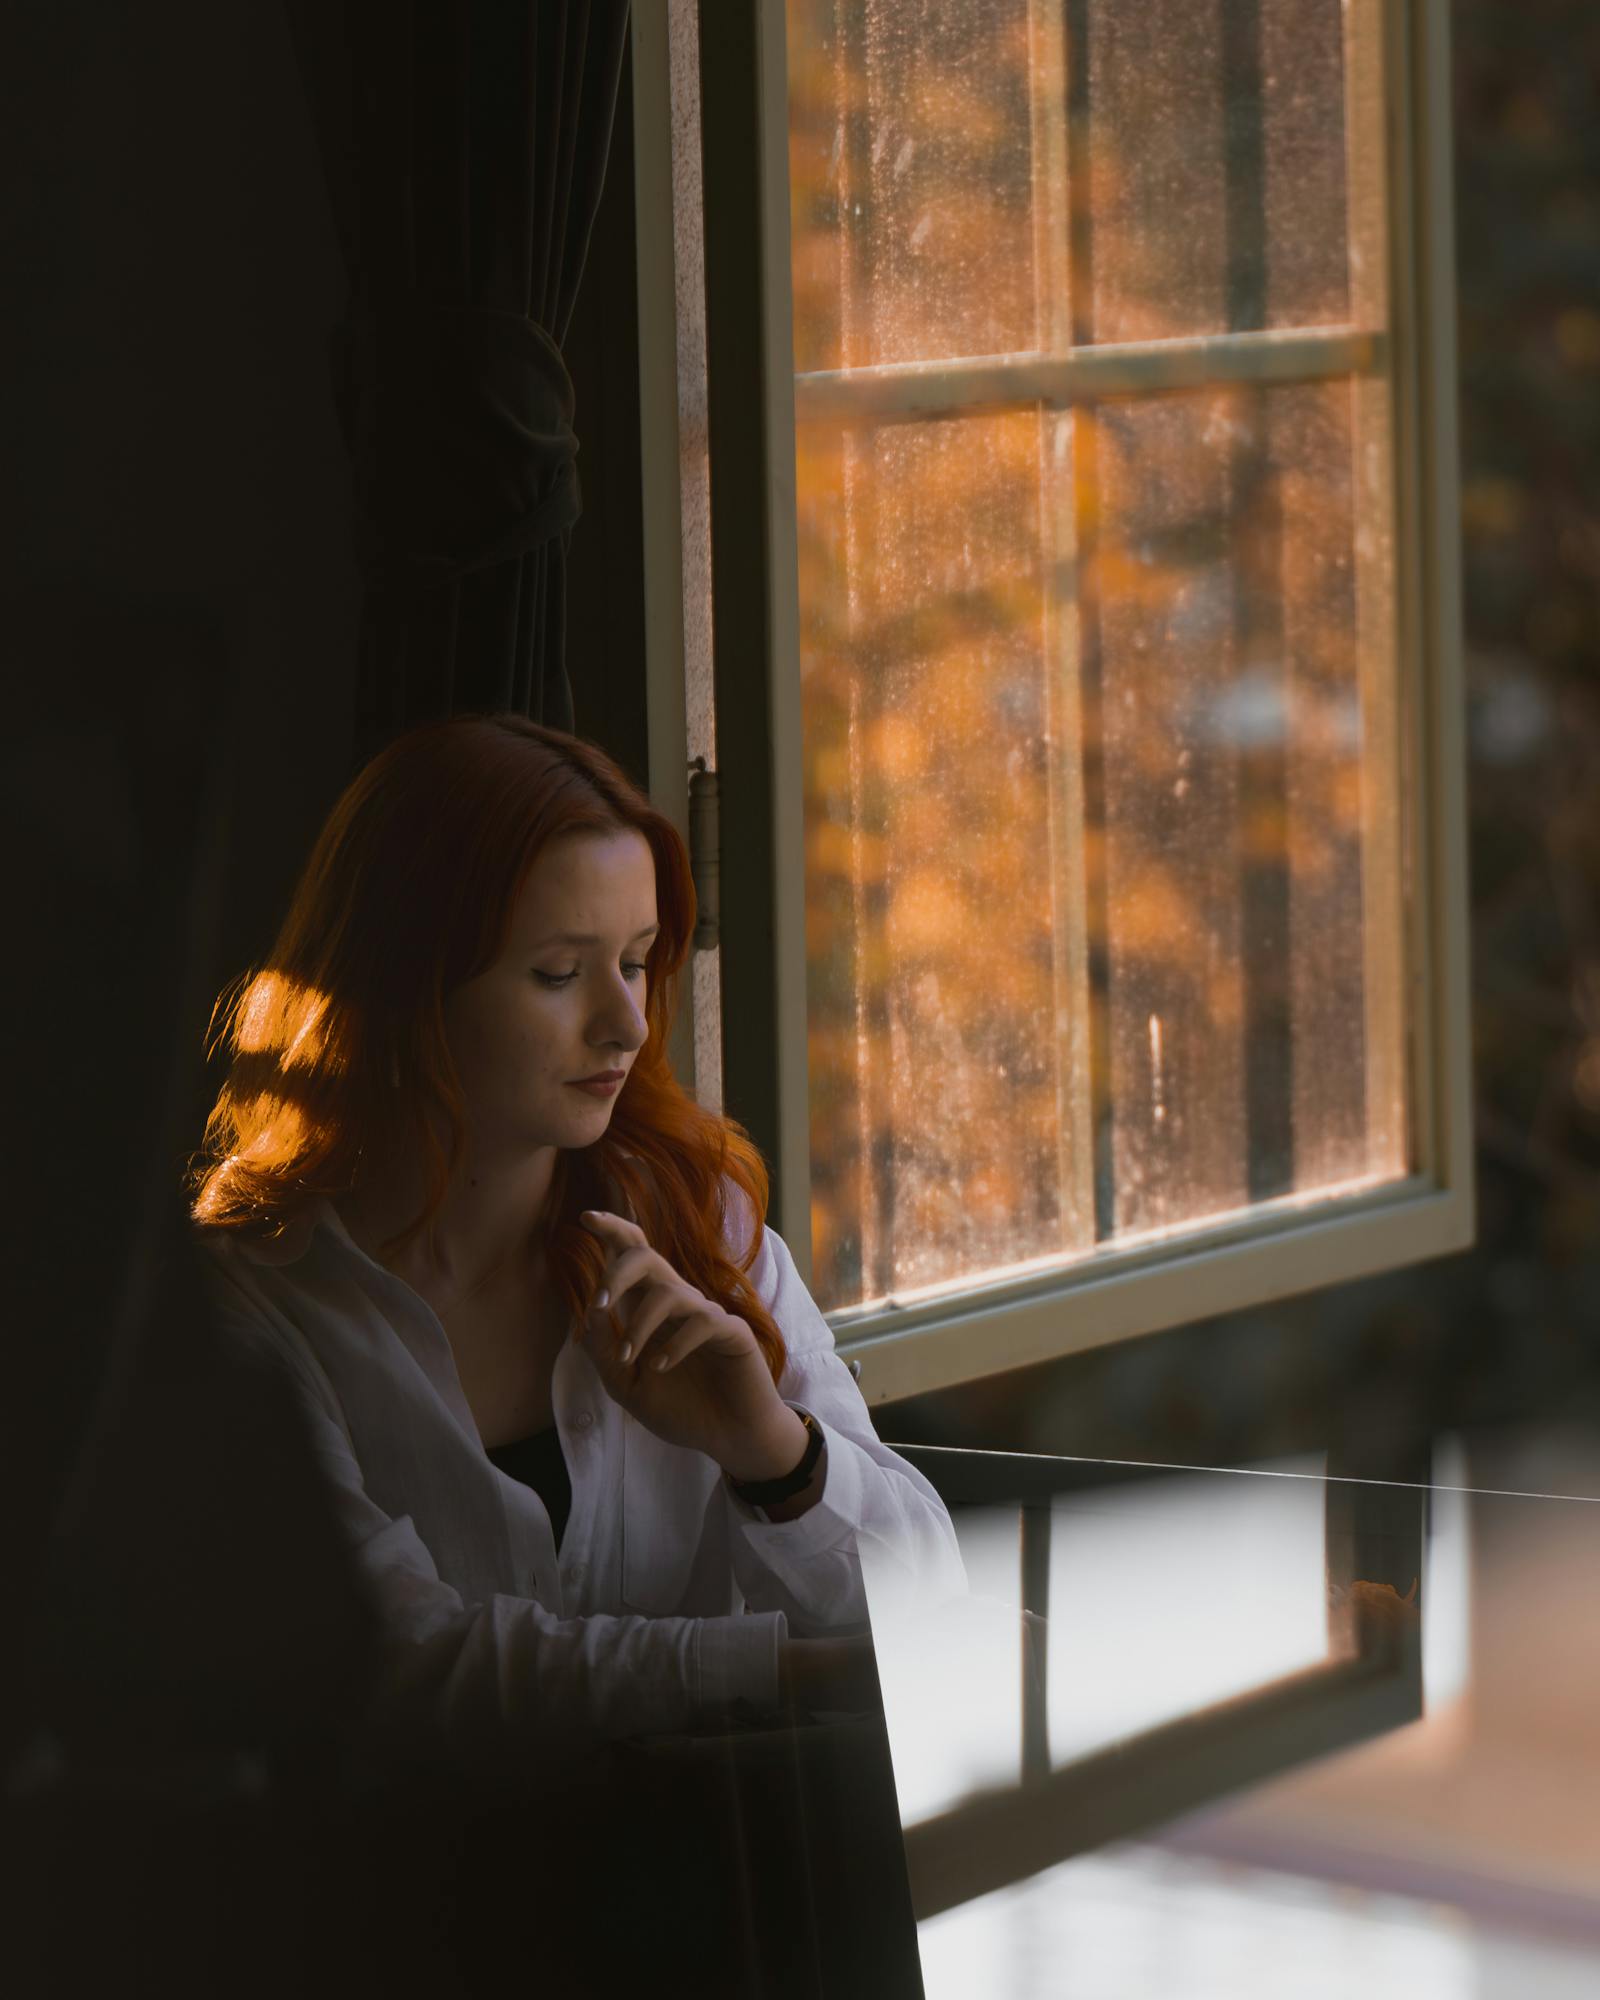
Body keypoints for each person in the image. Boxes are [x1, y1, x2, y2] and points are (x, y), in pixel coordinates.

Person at [187, 711, 966, 1780]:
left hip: (721, 1903)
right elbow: (406, 1660)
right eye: (559, 973)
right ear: (401, 986)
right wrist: (794, 1672)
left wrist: (775, 1454)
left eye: (639, 962)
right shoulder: (258, 1302)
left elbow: (933, 1596)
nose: (627, 1024)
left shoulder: (703, 1228)